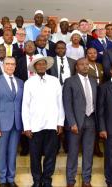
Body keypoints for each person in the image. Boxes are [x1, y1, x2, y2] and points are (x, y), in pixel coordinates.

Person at [22, 54, 64, 187]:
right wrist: (27, 126)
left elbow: (60, 103)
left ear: (46, 65)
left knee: (51, 156)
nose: (41, 66)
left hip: (51, 124)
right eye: (38, 64)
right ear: (34, 67)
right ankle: (37, 181)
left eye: (43, 64)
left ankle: (47, 181)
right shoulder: (29, 83)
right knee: (35, 156)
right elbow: (25, 106)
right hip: (35, 126)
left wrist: (60, 122)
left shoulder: (54, 80)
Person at [0, 57, 24, 187]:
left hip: (17, 123)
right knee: (2, 152)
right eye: (7, 64)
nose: (10, 66)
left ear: (15, 66)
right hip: (1, 124)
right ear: (3, 66)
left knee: (12, 152)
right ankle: (2, 180)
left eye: (12, 64)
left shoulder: (21, 82)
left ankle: (11, 178)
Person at [63, 57, 97, 187]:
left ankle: (86, 180)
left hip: (91, 121)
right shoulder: (70, 81)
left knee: (88, 153)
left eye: (87, 64)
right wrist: (72, 123)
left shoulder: (93, 82)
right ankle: (71, 181)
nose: (85, 66)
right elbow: (67, 103)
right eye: (82, 64)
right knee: (73, 152)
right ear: (76, 67)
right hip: (75, 123)